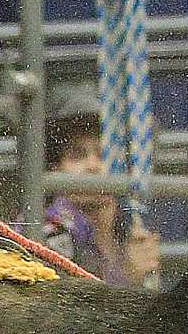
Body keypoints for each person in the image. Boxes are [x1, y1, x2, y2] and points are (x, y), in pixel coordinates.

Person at [39, 93, 162, 289]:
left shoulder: (132, 220)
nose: (93, 166)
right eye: (77, 155)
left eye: (104, 154)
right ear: (56, 169)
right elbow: (71, 311)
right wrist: (130, 278)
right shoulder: (47, 231)